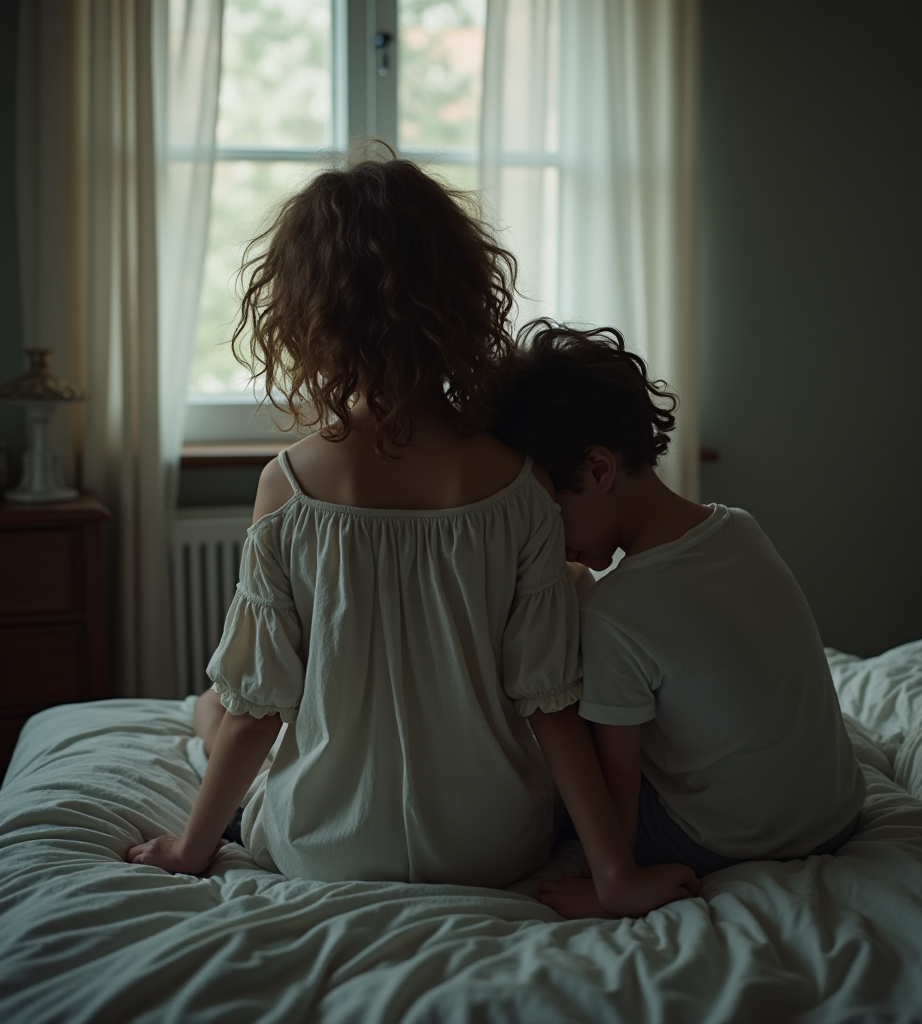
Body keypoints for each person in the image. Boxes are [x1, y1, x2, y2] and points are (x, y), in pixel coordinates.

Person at [125, 152, 696, 912]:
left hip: (324, 845)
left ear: (305, 313)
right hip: (490, 845)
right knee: (226, 702)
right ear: (463, 297)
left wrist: (190, 848)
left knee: (217, 706)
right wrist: (614, 872)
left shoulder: (288, 488)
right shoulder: (520, 485)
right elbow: (550, 704)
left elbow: (259, 708)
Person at [494, 321, 866, 919]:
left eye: (546, 515)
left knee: (550, 740)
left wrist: (607, 879)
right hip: (836, 812)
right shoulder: (740, 526)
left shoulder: (614, 617)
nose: (549, 543)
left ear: (597, 469)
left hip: (725, 842)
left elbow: (618, 783)